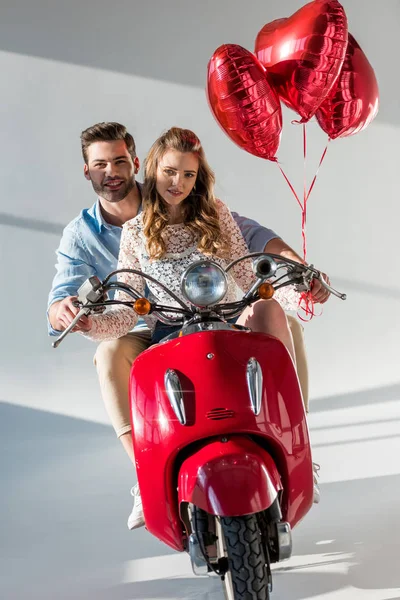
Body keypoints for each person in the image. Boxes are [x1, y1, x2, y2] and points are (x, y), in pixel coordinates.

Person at [47, 122, 328, 529]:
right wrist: (87, 319)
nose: (177, 182)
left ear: (137, 164)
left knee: (274, 313)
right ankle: (147, 477)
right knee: (108, 355)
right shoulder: (128, 231)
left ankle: (298, 453)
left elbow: (251, 276)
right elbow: (127, 302)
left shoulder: (216, 214)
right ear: (154, 170)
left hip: (229, 318)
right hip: (170, 329)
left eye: (188, 174)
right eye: (170, 173)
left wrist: (299, 288)